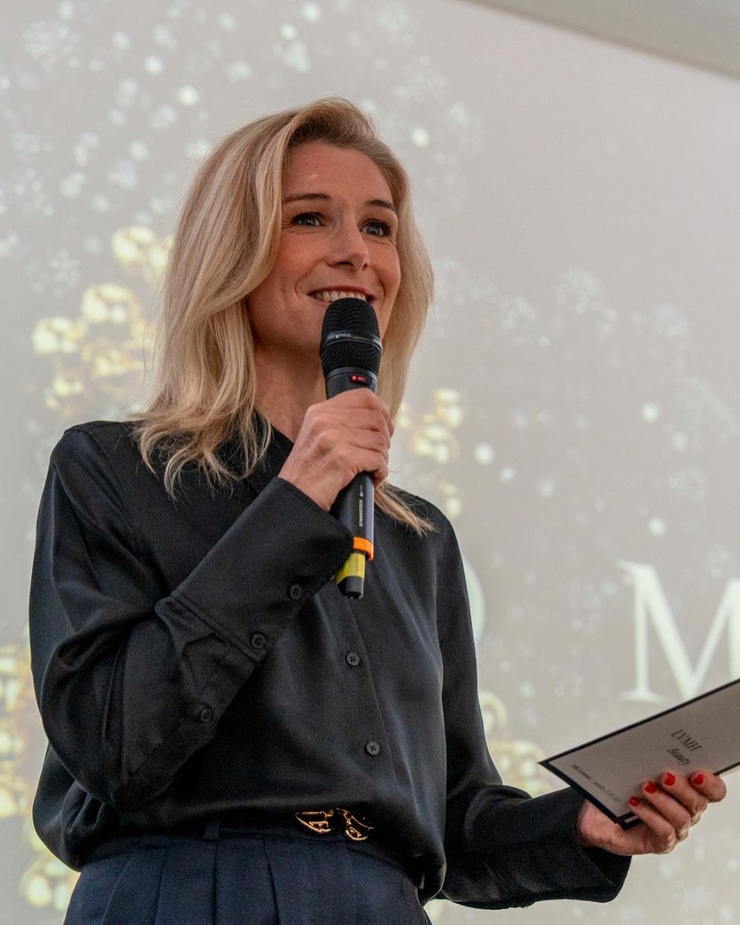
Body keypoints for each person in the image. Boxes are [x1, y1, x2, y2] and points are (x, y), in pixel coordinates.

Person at [29, 98, 725, 925]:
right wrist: (296, 503)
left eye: (379, 227)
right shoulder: (114, 470)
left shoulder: (416, 539)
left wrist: (580, 823)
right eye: (310, 218)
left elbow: (453, 817)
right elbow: (114, 741)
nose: (355, 251)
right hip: (191, 891)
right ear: (233, 251)